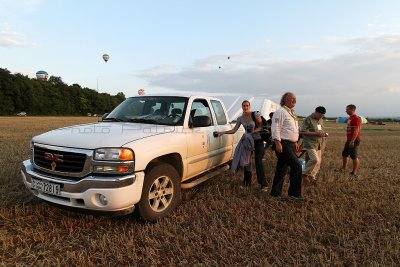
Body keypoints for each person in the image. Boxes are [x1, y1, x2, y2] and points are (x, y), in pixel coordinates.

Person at [215, 100, 268, 191]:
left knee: (258, 161)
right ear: (242, 107)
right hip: (248, 141)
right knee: (247, 162)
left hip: (257, 140)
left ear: (249, 106)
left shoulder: (255, 115)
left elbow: (262, 127)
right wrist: (222, 132)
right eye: (244, 106)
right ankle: (247, 183)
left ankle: (263, 184)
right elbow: (234, 130)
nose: (245, 107)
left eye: (247, 105)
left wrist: (254, 131)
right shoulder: (240, 118)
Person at [270, 92, 305, 202]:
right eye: (292, 99)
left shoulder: (291, 113)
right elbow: (275, 127)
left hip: (290, 144)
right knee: (297, 167)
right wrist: (277, 142)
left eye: (295, 99)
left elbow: (291, 129)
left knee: (282, 169)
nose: (295, 101)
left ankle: (275, 194)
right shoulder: (280, 112)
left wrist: (295, 142)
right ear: (285, 100)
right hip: (283, 144)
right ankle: (294, 195)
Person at [300, 106, 328, 184]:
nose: (321, 117)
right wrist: (316, 133)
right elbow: (303, 132)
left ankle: (311, 176)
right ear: (316, 112)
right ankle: (304, 174)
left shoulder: (320, 120)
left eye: (322, 116)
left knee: (318, 163)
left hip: (318, 143)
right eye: (320, 115)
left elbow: (319, 129)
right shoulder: (308, 119)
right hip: (310, 143)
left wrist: (323, 134)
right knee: (315, 159)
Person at [339, 104, 361, 177]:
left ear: (352, 110)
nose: (346, 110)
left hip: (354, 140)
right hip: (349, 139)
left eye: (347, 109)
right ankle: (344, 168)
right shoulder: (350, 118)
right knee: (344, 154)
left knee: (354, 156)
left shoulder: (356, 118)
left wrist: (352, 141)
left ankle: (354, 172)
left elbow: (356, 130)